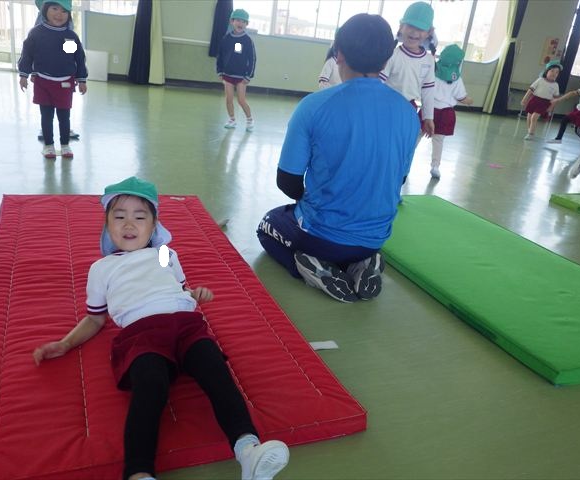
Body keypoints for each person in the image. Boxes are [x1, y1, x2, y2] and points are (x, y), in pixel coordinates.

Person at [32, 176, 290, 480]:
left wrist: (194, 293)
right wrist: (65, 343)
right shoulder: (101, 268)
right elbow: (95, 318)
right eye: (119, 217)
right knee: (150, 387)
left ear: (154, 225)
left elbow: (178, 287)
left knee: (217, 373)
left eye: (140, 217)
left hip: (187, 326)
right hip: (141, 335)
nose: (129, 224)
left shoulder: (165, 254)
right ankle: (139, 472)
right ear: (107, 225)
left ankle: (248, 450)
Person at [256, 14, 419, 303]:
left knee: (268, 225)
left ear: (338, 53)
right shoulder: (408, 113)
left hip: (321, 236)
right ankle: (362, 263)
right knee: (347, 238)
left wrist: (316, 202)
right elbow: (400, 177)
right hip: (375, 238)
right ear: (386, 61)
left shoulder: (314, 105)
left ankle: (311, 267)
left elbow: (287, 181)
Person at [18, 0, 87, 159]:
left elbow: (77, 58)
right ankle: (48, 145)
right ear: (45, 10)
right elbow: (28, 55)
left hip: (64, 83)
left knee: (64, 116)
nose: (59, 14)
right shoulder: (36, 33)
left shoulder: (70, 36)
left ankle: (65, 145)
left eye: (64, 11)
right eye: (55, 9)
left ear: (69, 14)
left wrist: (82, 79)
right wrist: (24, 74)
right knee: (46, 116)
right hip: (43, 82)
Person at [382, 1, 436, 139]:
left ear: (429, 32)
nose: (414, 32)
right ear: (401, 27)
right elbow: (378, 85)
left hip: (410, 111)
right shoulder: (392, 55)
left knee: (403, 143)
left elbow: (428, 90)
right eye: (410, 26)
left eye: (420, 29)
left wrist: (428, 117)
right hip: (387, 109)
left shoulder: (429, 60)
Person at [33, 0, 79, 142]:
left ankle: (65, 128)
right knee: (46, 107)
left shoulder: (67, 26)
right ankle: (46, 129)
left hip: (64, 23)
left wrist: (74, 73)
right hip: (47, 17)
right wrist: (34, 71)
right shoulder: (40, 28)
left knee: (67, 51)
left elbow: (71, 53)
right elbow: (34, 50)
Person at [429, 44, 473, 179]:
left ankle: (405, 160)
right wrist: (469, 101)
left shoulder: (432, 71)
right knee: (438, 140)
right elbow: (462, 97)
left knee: (417, 136)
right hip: (445, 113)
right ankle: (435, 166)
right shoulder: (456, 78)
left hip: (428, 109)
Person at [216, 9, 256, 131]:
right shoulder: (226, 39)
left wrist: (248, 75)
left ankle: (249, 120)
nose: (240, 23)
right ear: (232, 21)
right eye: (238, 20)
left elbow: (252, 59)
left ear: (246, 24)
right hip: (227, 75)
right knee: (228, 99)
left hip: (241, 77)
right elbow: (220, 56)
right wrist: (220, 71)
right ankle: (232, 119)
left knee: (241, 100)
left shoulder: (247, 40)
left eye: (243, 21)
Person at [547, 66, 580, 152]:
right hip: (579, 111)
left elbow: (573, 93)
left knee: (578, 130)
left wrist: (558, 100)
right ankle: (558, 139)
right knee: (565, 120)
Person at [520, 60, 562, 141]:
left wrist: (551, 107)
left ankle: (531, 134)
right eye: (552, 71)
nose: (554, 73)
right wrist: (524, 99)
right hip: (534, 100)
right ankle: (529, 130)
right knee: (529, 116)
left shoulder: (556, 85)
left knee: (534, 117)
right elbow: (530, 90)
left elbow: (555, 98)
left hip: (544, 103)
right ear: (546, 71)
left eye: (556, 72)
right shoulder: (540, 80)